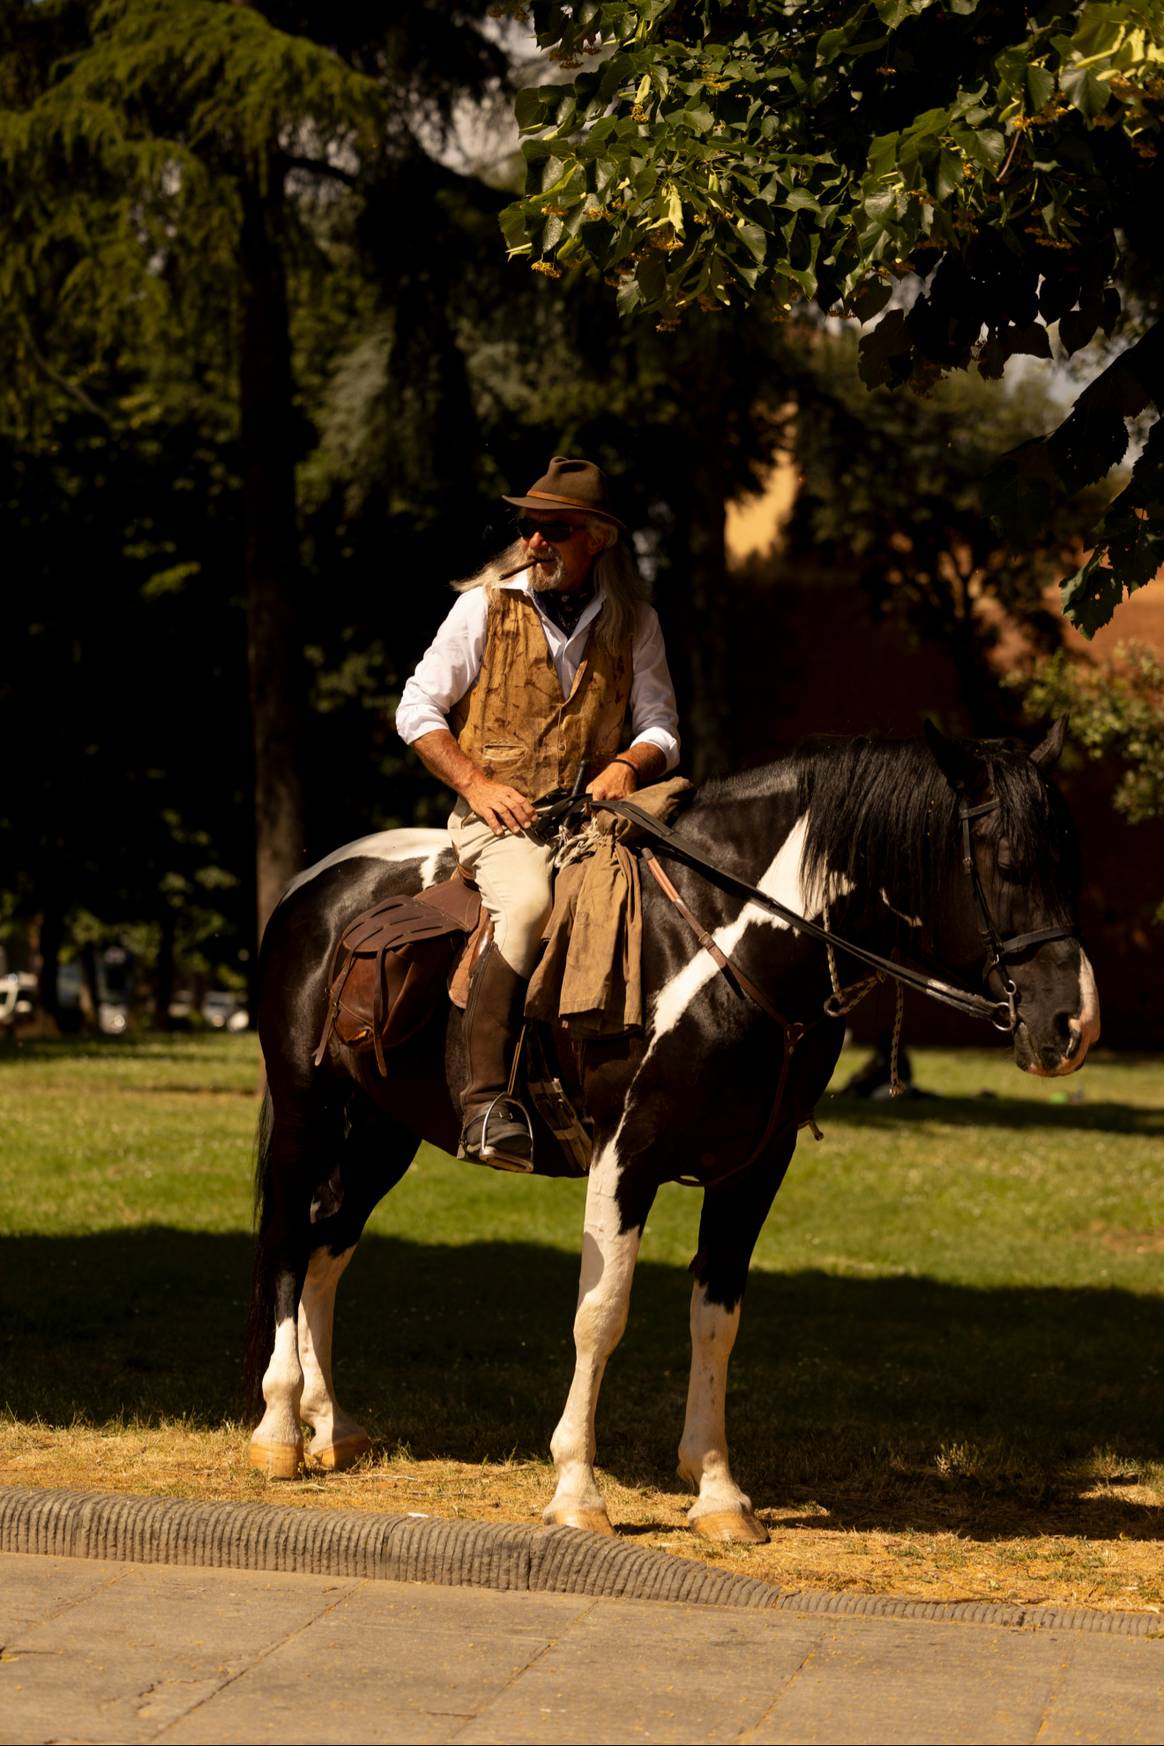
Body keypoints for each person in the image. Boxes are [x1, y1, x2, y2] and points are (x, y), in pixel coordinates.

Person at [396, 455, 681, 1167]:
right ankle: (486, 1103)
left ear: (599, 539)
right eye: (529, 528)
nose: (534, 542)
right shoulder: (482, 608)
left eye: (554, 529)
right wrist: (477, 786)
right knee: (525, 907)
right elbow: (417, 708)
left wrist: (627, 764)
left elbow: (661, 729)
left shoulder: (635, 621)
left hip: (596, 821)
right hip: (501, 819)